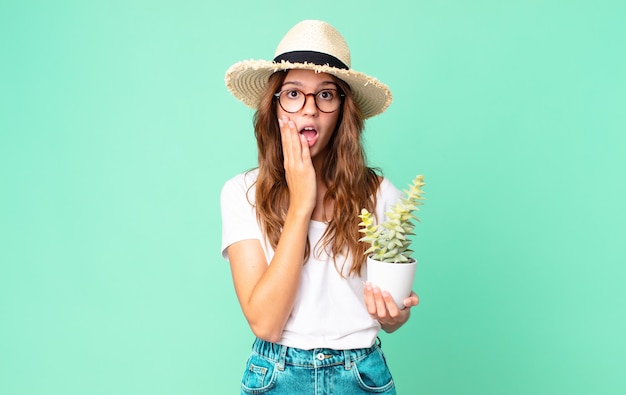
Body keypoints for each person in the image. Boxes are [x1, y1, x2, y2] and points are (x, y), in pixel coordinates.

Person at [220, 20, 419, 394]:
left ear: (343, 109)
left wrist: (394, 314)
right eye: (293, 93)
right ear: (275, 106)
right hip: (276, 375)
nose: (309, 109)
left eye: (326, 95)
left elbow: (392, 313)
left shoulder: (380, 195)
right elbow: (265, 323)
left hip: (361, 374)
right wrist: (301, 204)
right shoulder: (241, 193)